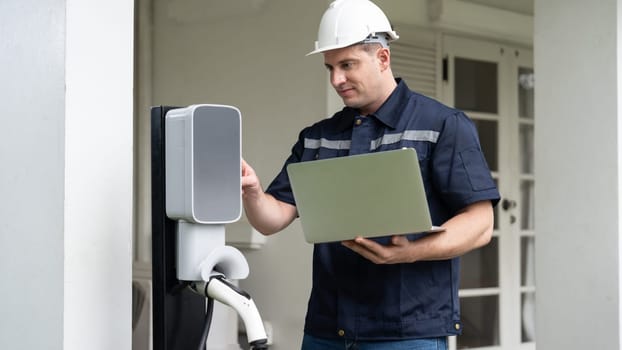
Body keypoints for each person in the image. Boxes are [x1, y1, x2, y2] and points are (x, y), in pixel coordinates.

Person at [241, 0, 500, 349]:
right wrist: (254, 192)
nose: (336, 79)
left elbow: (481, 223)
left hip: (408, 331)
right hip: (327, 328)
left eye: (347, 65)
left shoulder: (442, 125)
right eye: (330, 67)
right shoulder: (319, 136)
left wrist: (409, 252)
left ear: (382, 58)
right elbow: (272, 220)